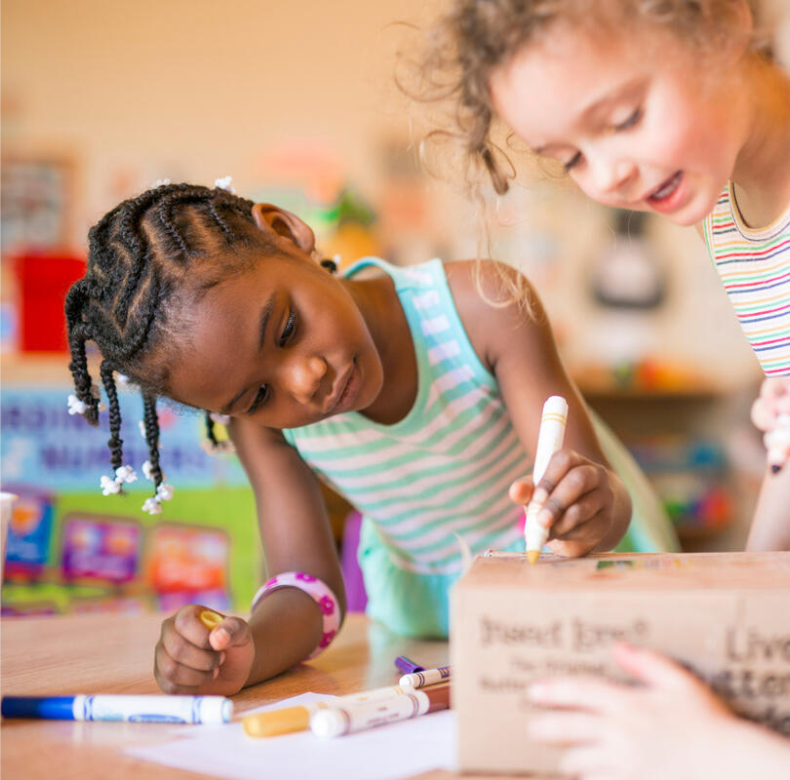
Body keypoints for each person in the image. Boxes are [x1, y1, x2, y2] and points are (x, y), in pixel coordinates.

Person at [64, 181, 675, 695]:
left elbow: (604, 503)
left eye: (286, 327)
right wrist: (242, 651)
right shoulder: (259, 427)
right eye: (255, 396)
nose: (305, 381)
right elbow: (308, 588)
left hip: (571, 589)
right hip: (426, 627)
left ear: (286, 232)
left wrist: (588, 507)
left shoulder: (484, 306)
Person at [412, 0, 790, 774]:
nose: (608, 174)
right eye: (571, 157)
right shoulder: (725, 211)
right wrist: (743, 616)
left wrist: (721, 751)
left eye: (623, 118)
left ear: (722, 22)